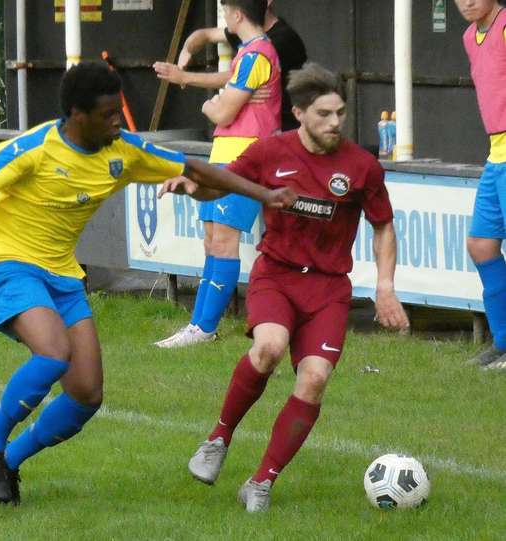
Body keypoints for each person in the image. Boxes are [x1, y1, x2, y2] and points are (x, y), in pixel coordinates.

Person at [0, 62, 297, 506]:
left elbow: (198, 170)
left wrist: (264, 195)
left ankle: (9, 461)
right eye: (108, 114)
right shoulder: (36, 147)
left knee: (86, 395)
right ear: (76, 114)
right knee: (53, 354)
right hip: (8, 263)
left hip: (63, 274)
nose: (117, 120)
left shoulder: (122, 150)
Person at [160, 63, 409, 512]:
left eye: (339, 113)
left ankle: (260, 482)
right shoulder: (270, 152)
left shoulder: (361, 166)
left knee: (314, 379)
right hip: (277, 275)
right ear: (299, 113)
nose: (335, 123)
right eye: (324, 114)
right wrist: (189, 187)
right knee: (269, 348)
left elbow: (383, 226)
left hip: (329, 289)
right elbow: (219, 184)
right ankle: (218, 438)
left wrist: (385, 287)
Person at [153, 0, 282, 349]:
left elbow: (224, 110)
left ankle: (203, 328)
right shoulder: (249, 52)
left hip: (246, 157)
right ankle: (199, 325)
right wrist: (186, 78)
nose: (224, 17)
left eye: (226, 11)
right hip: (225, 154)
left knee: (223, 241)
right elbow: (228, 83)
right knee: (212, 239)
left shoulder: (258, 55)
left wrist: (210, 105)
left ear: (238, 14)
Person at [154, 0, 306, 130]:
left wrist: (185, 78)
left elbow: (225, 105)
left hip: (281, 128)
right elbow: (206, 34)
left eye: (226, 10)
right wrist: (187, 49)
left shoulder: (278, 42)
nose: (225, 16)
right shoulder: (247, 35)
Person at [455, 0, 506, 370]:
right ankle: (503, 343)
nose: (467, 1)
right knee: (482, 244)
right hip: (496, 152)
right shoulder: (470, 36)